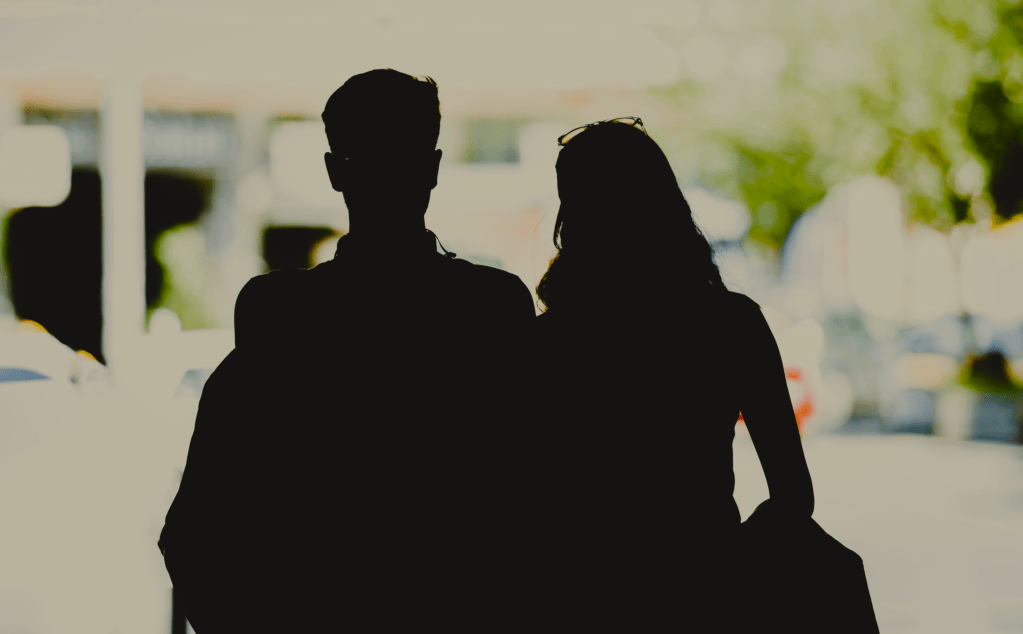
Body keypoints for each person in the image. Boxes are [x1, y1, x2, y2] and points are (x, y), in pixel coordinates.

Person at [158, 69, 536, 632]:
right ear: (432, 170)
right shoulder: (492, 308)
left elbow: (197, 531)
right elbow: (537, 503)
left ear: (335, 172)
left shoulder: (277, 315)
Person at [522, 118, 816, 630]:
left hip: (579, 598)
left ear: (574, 216)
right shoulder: (733, 324)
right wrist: (724, 562)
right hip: (704, 600)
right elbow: (793, 497)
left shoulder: (546, 342)